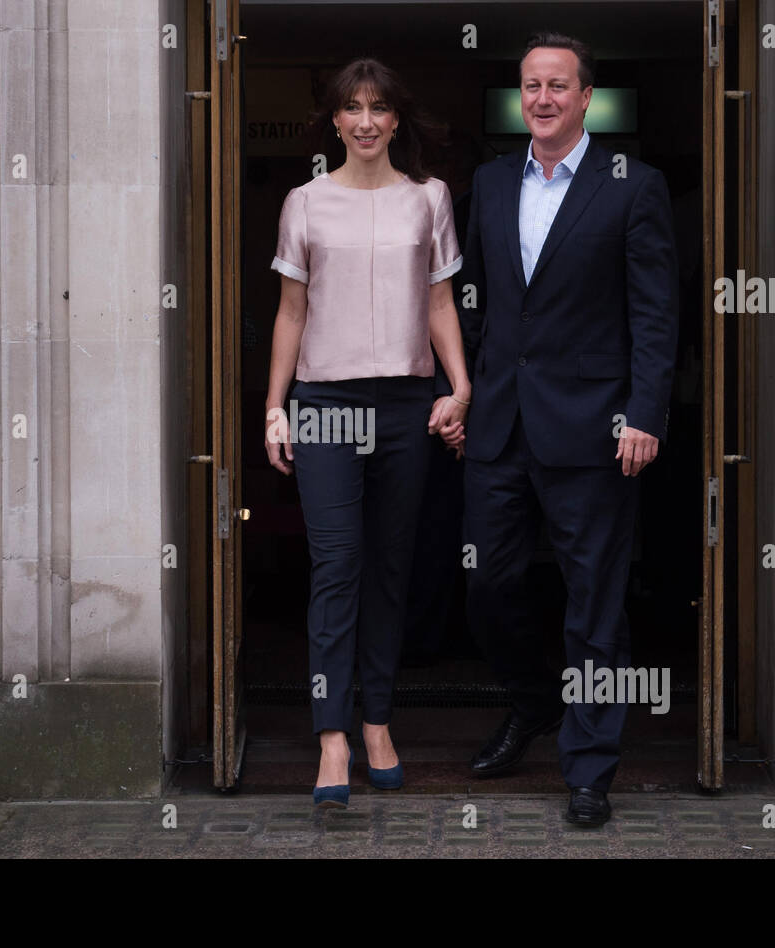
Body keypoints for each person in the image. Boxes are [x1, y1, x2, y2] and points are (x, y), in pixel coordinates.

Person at [452, 32, 679, 825]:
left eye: (558, 85)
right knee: (487, 584)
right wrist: (463, 391)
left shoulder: (633, 186)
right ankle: (533, 700)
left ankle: (589, 768)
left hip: (595, 428)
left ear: (587, 98)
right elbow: (473, 303)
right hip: (500, 427)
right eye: (531, 86)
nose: (542, 98)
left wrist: (645, 415)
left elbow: (655, 316)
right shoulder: (486, 182)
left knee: (595, 604)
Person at [264, 58, 470, 808]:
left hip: (406, 403)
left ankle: (378, 721)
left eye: (379, 106)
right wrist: (274, 406)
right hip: (323, 401)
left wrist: (461, 385)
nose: (366, 120)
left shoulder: (429, 199)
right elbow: (291, 312)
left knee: (390, 569)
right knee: (338, 566)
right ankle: (331, 737)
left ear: (396, 118)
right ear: (335, 121)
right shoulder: (306, 203)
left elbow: (441, 300)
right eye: (352, 107)